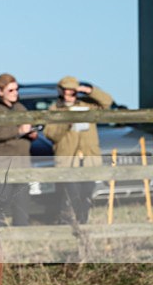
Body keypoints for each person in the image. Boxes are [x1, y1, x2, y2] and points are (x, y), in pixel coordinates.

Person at [44, 76, 113, 224]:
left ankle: (83, 222)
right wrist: (66, 123)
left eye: (72, 91)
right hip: (68, 159)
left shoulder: (87, 106)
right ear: (60, 91)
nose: (68, 95)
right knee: (72, 193)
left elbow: (107, 102)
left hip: (89, 157)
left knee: (87, 192)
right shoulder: (55, 109)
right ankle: (71, 222)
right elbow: (50, 134)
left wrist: (90, 91)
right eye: (65, 91)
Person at [0, 73, 38, 226]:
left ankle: (22, 231)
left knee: (22, 204)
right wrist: (19, 131)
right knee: (0, 202)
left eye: (16, 89)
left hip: (22, 163)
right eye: (11, 90)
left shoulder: (20, 108)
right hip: (3, 165)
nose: (15, 93)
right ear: (0, 91)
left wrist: (31, 133)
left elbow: (27, 127)